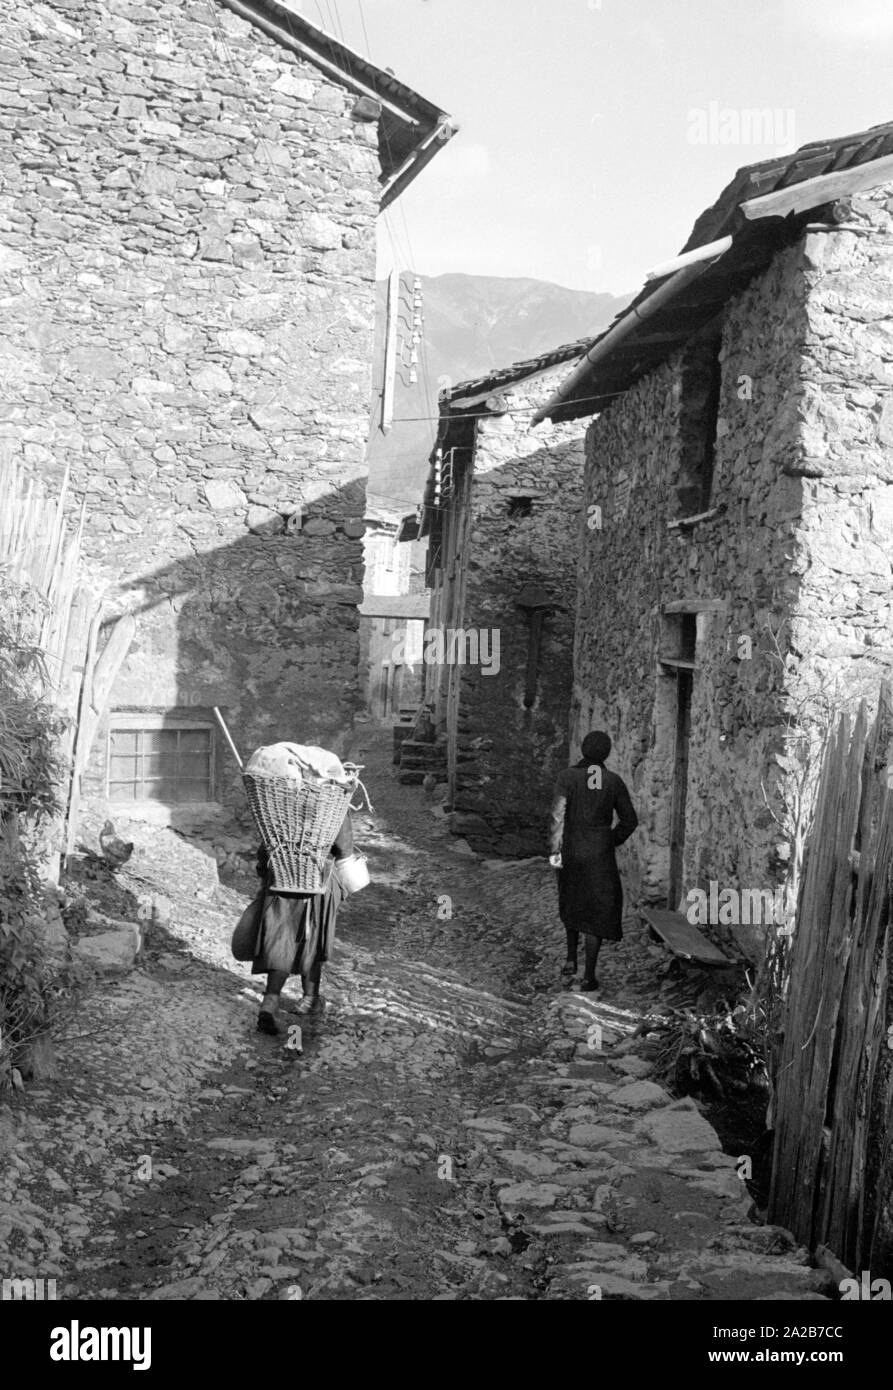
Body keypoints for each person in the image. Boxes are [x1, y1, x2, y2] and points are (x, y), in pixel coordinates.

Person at [548, 730, 638, 992]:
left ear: (583, 749)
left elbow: (557, 817)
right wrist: (609, 840)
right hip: (600, 856)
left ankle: (570, 959)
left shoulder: (567, 777)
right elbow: (630, 821)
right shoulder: (613, 781)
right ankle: (588, 975)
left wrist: (555, 851)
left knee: (572, 899)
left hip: (571, 851)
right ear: (606, 753)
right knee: (596, 909)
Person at [253, 807, 354, 1034]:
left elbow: (264, 846)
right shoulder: (331, 800)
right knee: (312, 937)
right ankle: (309, 999)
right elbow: (343, 849)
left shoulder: (280, 797)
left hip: (280, 875)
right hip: (317, 878)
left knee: (280, 939)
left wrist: (265, 871)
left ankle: (270, 1001)